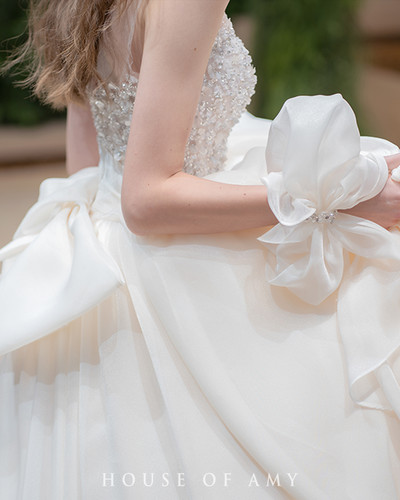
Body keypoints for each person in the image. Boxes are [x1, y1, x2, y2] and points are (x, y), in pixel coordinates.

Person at [1, 0, 400, 498]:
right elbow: (145, 201)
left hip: (100, 247)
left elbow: (88, 158)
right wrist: (330, 204)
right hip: (166, 256)